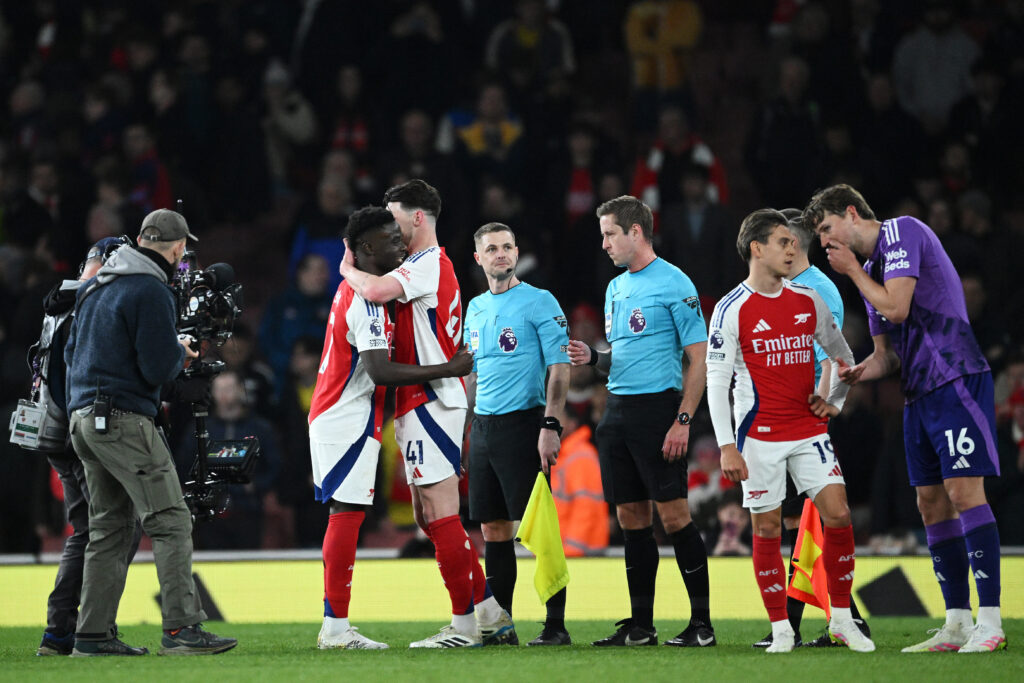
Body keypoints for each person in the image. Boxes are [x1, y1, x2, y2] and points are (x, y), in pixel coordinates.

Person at [805, 184, 1006, 653]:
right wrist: (859, 372)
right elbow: (886, 356)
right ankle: (956, 621)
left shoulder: (902, 233)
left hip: (955, 375)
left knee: (963, 492)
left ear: (852, 213)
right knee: (931, 504)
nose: (826, 243)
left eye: (827, 229)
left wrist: (852, 270)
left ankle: (991, 621)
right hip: (917, 392)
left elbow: (898, 306)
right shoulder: (871, 269)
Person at [338, 179, 512, 648]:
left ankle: (465, 626)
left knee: (440, 512)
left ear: (417, 218)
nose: (390, 229)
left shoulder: (427, 263)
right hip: (425, 399)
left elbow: (373, 290)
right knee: (426, 514)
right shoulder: (426, 265)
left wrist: (346, 267)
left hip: (434, 398)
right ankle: (491, 612)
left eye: (395, 218)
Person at [64, 209, 235, 657]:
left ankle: (92, 635)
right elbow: (158, 367)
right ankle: (182, 629)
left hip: (83, 418)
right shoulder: (150, 289)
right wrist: (180, 352)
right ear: (178, 249)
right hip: (122, 418)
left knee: (110, 527)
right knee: (171, 520)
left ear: (141, 238)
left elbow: (71, 353)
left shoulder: (96, 286)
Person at [705, 208, 873, 654]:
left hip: (807, 430)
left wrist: (833, 402)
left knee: (838, 513)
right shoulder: (730, 309)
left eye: (794, 242)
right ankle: (782, 628)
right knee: (766, 530)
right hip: (757, 436)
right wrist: (727, 446)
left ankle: (841, 618)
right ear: (757, 248)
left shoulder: (808, 300)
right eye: (784, 242)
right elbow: (716, 383)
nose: (793, 248)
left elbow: (843, 356)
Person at [311, 206, 473, 649]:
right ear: (366, 248)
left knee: (351, 513)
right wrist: (449, 367)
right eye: (389, 237)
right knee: (346, 514)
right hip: (345, 415)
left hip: (347, 412)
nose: (400, 242)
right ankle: (336, 628)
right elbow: (380, 371)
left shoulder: (362, 291)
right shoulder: (365, 300)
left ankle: (337, 626)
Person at [567, 195, 715, 648]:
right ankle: (641, 625)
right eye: (603, 236)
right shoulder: (615, 288)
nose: (605, 244)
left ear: (636, 232)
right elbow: (624, 356)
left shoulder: (675, 282)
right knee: (631, 518)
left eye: (610, 234)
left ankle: (702, 625)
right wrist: (595, 358)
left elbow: (699, 357)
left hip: (659, 412)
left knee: (673, 516)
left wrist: (683, 419)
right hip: (616, 410)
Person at [751, 209, 870, 649]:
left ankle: (819, 620)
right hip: (785, 421)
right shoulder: (787, 287)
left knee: (808, 520)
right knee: (802, 520)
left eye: (783, 240)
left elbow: (832, 356)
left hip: (805, 424)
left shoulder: (816, 289)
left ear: (792, 245)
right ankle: (835, 618)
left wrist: (824, 407)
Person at [463, 222, 572, 646]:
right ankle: (500, 625)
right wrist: (463, 430)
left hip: (525, 423)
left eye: (507, 247)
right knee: (493, 530)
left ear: (516, 252)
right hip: (485, 429)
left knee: (539, 528)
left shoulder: (540, 301)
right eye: (491, 249)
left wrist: (550, 424)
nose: (501, 255)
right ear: (479, 258)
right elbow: (472, 376)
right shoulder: (474, 308)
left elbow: (560, 368)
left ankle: (555, 625)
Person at [34, 238, 143, 656]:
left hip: (54, 429)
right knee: (116, 529)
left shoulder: (62, 300)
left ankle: (61, 630)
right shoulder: (86, 304)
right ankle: (90, 630)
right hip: (78, 429)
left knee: (88, 530)